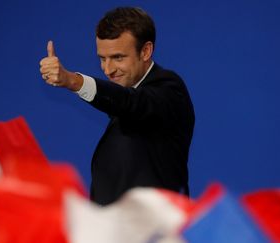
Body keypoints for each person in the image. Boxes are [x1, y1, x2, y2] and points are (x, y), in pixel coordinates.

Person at [39, 7, 195, 205]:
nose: (108, 69)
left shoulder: (170, 90)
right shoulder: (127, 96)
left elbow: (129, 102)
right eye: (102, 59)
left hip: (154, 232)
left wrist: (73, 81)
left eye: (118, 58)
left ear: (146, 51)